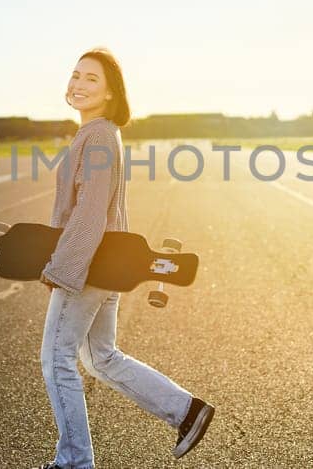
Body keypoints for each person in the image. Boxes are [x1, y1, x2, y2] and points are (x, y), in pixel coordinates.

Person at [35, 48, 213, 469]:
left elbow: (91, 211)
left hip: (89, 266)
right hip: (105, 264)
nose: (78, 84)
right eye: (76, 75)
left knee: (56, 358)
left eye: (92, 79)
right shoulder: (99, 133)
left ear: (112, 93)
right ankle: (187, 411)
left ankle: (74, 464)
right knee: (101, 357)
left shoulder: (97, 135)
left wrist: (63, 269)